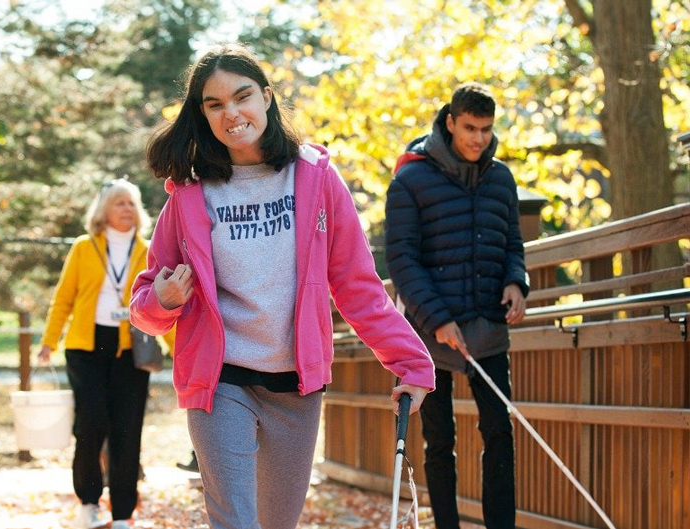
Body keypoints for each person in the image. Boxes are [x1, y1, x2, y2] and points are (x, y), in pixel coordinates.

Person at [129, 42, 435, 529]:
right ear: (203, 114)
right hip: (220, 379)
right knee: (235, 522)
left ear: (267, 98)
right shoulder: (189, 196)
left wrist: (412, 363)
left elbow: (358, 286)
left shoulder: (315, 180)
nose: (232, 113)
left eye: (242, 96)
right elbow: (143, 304)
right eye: (215, 104)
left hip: (296, 386)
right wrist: (164, 303)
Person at [384, 82, 528, 529]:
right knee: (438, 441)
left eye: (486, 129)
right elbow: (401, 259)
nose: (478, 139)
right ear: (450, 122)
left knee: (500, 435)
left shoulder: (501, 178)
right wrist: (437, 319)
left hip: (487, 325)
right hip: (430, 332)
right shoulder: (410, 179)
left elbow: (513, 244)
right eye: (469, 128)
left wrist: (516, 282)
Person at [38, 178, 152, 529]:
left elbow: (161, 300)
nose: (127, 210)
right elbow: (64, 298)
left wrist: (180, 352)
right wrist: (49, 340)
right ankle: (88, 501)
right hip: (86, 346)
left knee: (127, 428)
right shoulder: (84, 247)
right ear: (103, 210)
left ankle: (121, 513)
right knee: (91, 422)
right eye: (119, 203)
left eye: (132, 203)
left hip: (130, 348)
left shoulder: (147, 250)